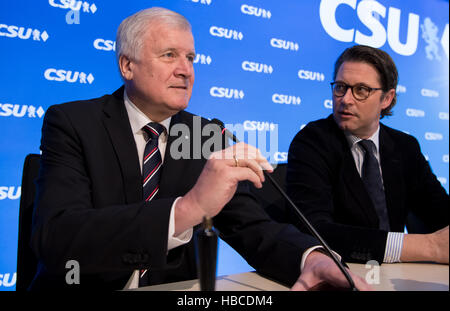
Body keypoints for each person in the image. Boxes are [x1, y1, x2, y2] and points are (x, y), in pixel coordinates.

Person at [29, 7, 369, 291]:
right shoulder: (73, 122)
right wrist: (188, 208)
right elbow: (58, 236)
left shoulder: (205, 133)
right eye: (169, 56)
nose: (186, 70)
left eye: (191, 57)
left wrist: (311, 258)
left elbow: (252, 227)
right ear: (127, 66)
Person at [287, 45, 449, 265]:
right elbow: (314, 229)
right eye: (340, 87)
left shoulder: (405, 146)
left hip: (399, 275)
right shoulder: (312, 141)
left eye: (361, 90)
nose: (346, 99)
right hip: (342, 271)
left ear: (387, 98)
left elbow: (439, 212)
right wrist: (429, 247)